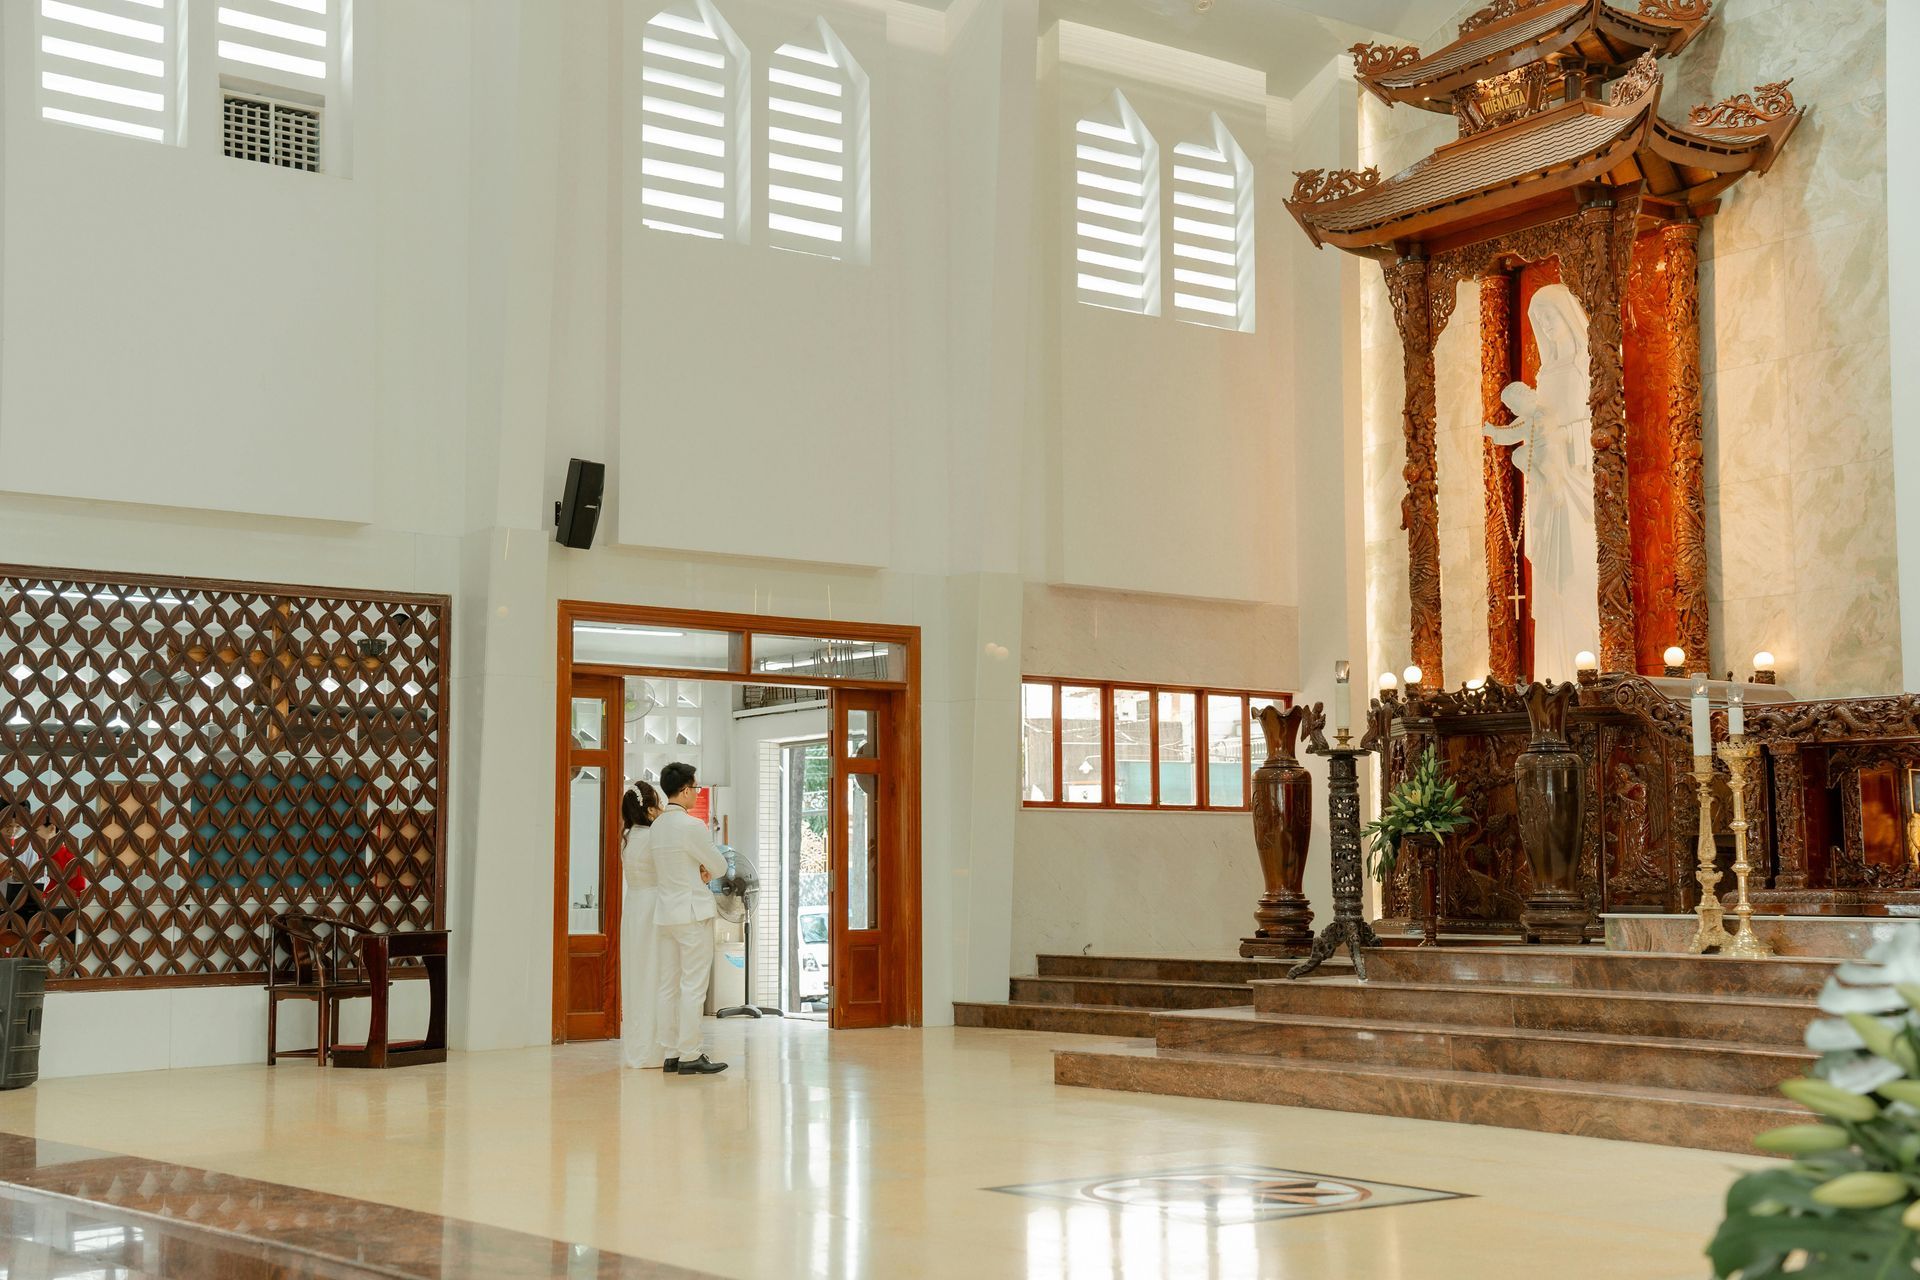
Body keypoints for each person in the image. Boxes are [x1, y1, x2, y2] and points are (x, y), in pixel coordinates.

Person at [649, 762, 728, 1076]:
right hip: (693, 913)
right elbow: (719, 866)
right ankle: (691, 1054)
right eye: (695, 788)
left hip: (666, 913)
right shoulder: (691, 826)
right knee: (694, 986)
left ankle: (671, 1052)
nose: (697, 793)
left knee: (668, 985)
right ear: (684, 790)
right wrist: (704, 868)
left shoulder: (658, 827)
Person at [619, 780, 669, 1069]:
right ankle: (655, 1048)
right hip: (653, 908)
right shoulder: (655, 839)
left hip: (634, 907)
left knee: (637, 975)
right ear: (650, 809)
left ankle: (638, 1046)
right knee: (656, 973)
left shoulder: (629, 838)